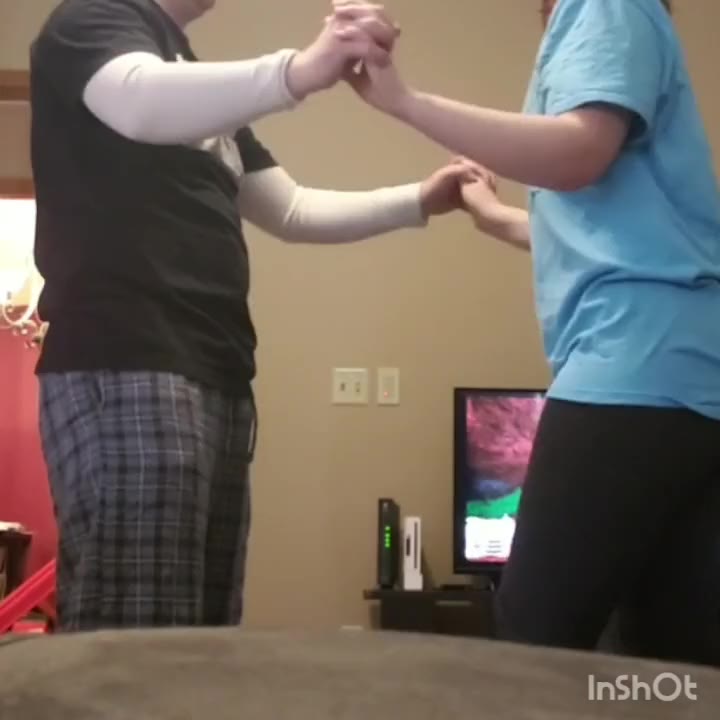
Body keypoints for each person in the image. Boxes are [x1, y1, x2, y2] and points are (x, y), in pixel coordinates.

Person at [29, 0, 484, 632]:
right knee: (139, 636)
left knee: (204, 633)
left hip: (216, 372)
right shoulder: (92, 18)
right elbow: (136, 102)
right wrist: (301, 70)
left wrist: (420, 200)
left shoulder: (194, 83)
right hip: (127, 359)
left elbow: (291, 210)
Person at [339, 0, 720, 666]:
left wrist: (404, 101)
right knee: (671, 658)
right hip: (690, 374)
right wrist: (492, 217)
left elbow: (579, 151)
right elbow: (619, 235)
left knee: (531, 653)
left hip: (634, 364)